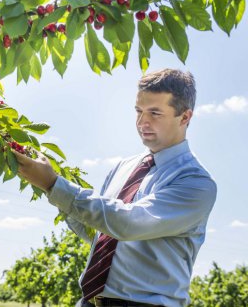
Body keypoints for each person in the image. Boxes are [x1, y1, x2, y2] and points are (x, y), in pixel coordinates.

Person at [14, 69, 217, 307]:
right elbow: (101, 234)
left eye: (155, 113)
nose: (143, 122)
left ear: (185, 117)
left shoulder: (195, 182)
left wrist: (54, 184)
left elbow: (127, 223)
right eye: (138, 111)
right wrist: (51, 189)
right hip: (91, 301)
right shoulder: (124, 167)